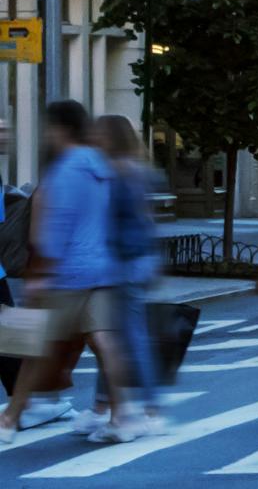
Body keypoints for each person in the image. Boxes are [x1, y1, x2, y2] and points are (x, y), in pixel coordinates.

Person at [0, 102, 143, 445]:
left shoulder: (63, 170)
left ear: (61, 129)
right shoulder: (102, 167)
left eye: (50, 127)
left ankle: (9, 418)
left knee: (34, 348)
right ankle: (121, 416)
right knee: (106, 344)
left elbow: (52, 230)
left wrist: (38, 275)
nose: (47, 134)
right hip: (102, 268)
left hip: (65, 273)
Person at [80, 116, 165, 437]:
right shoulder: (137, 170)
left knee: (125, 339)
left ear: (112, 137)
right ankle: (102, 406)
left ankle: (150, 410)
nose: (94, 138)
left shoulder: (117, 173)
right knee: (112, 339)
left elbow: (112, 222)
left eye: (99, 133)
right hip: (135, 261)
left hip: (123, 263)